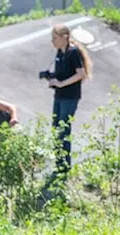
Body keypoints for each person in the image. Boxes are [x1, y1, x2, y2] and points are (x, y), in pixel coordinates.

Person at [43, 23, 92, 174]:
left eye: (55, 38)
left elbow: (80, 74)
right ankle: (59, 161)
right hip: (59, 95)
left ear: (65, 37)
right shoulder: (59, 52)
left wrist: (61, 83)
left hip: (70, 96)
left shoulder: (73, 52)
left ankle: (65, 165)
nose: (53, 41)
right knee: (56, 128)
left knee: (63, 129)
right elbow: (62, 73)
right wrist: (51, 78)